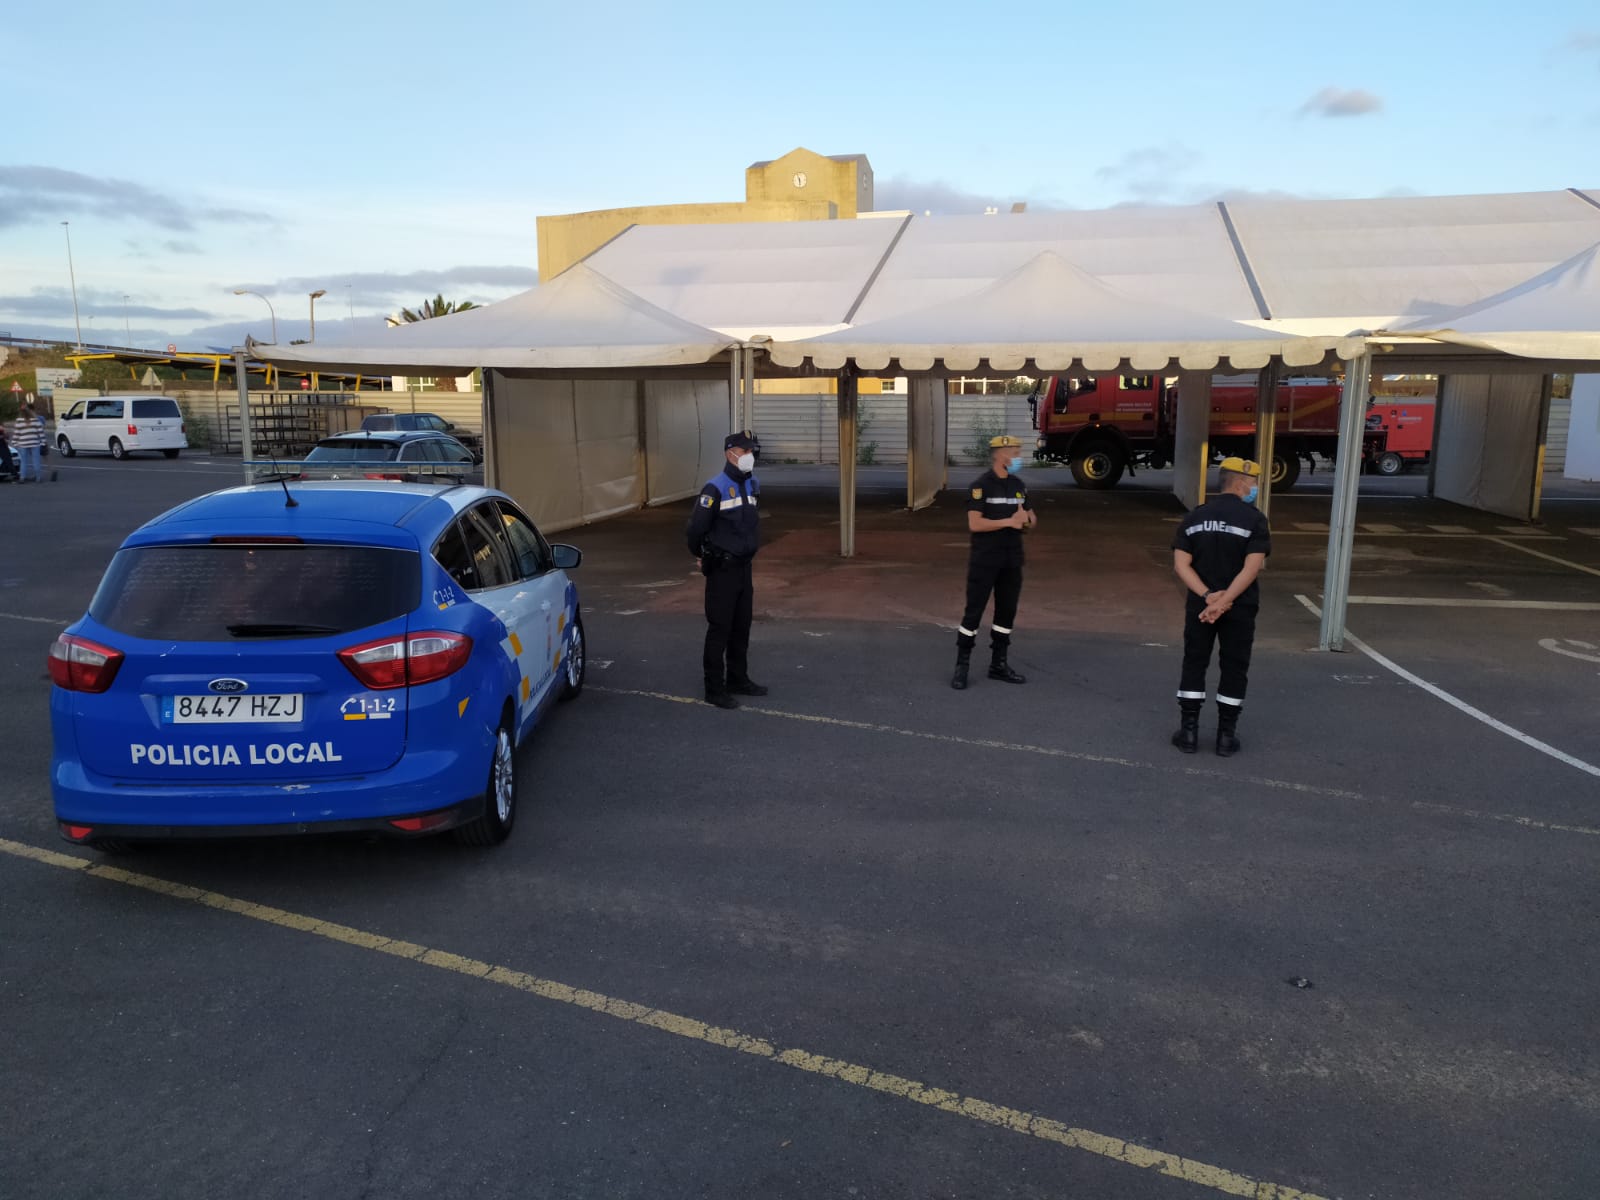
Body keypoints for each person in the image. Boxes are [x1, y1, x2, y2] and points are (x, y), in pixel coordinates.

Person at [1170, 457, 1272, 756]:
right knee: (1234, 665)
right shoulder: (1255, 520)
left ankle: (1188, 733)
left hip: (1201, 607)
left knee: (1195, 661)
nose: (1254, 488)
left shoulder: (1194, 516)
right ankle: (1226, 737)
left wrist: (1208, 597)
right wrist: (1226, 601)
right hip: (1239, 607)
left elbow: (1181, 564)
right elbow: (1252, 568)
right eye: (1253, 483)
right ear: (1241, 483)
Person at [686, 432, 766, 709]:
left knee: (741, 626)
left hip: (744, 568)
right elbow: (696, 529)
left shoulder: (752, 484)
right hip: (722, 570)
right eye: (744, 451)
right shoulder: (715, 488)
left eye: (751, 452)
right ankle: (714, 688)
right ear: (729, 453)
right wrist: (701, 555)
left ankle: (738, 679)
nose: (749, 456)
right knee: (720, 628)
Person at [952, 434, 1036, 689]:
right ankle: (961, 666)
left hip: (1012, 560)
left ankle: (998, 664)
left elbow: (1031, 518)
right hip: (985, 560)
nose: (1019, 456)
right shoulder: (981, 486)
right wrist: (1009, 522)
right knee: (974, 612)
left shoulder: (1019, 484)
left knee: (1006, 612)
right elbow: (974, 523)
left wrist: (1027, 522)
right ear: (1000, 454)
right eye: (1015, 451)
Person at [10, 403, 46, 484]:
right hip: (35, 443)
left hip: (22, 444)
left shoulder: (19, 421)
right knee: (36, 460)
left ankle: (22, 477)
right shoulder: (35, 420)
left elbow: (16, 433)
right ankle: (38, 478)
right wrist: (43, 442)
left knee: (23, 461)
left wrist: (14, 443)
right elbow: (41, 432)